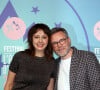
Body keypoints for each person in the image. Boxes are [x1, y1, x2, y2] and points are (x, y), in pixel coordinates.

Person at [4, 23, 56, 90]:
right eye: (36, 37)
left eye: (44, 37)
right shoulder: (19, 57)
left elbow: (50, 88)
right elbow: (9, 84)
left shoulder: (51, 62)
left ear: (48, 40)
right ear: (31, 39)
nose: (40, 41)